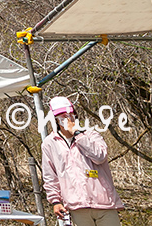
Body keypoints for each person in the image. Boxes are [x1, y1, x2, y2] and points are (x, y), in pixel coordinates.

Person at [41, 96, 124, 226]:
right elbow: (50, 175)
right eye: (61, 116)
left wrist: (77, 134)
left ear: (75, 114)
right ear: (55, 119)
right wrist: (55, 201)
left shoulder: (91, 135)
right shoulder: (49, 143)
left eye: (69, 114)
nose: (66, 118)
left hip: (104, 203)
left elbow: (100, 156)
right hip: (77, 206)